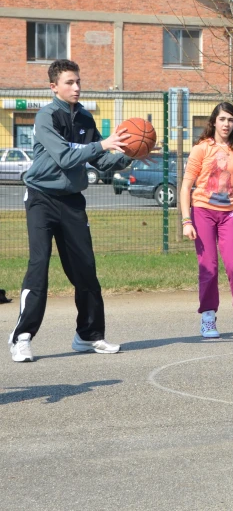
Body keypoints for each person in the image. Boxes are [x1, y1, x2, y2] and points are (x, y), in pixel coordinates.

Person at [9, 59, 136, 362]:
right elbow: (66, 157)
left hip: (72, 201)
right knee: (39, 266)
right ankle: (21, 338)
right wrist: (104, 144)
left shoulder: (85, 119)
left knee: (85, 271)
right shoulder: (45, 117)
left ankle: (88, 335)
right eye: (69, 82)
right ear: (53, 86)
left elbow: (100, 162)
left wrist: (128, 155)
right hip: (41, 198)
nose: (77, 87)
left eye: (78, 81)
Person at [180, 102, 233, 339]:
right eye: (223, 119)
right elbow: (186, 187)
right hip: (203, 211)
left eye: (231, 120)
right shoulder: (201, 149)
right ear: (214, 121)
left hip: (229, 214)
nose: (226, 124)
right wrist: (187, 221)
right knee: (209, 267)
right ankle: (207, 318)